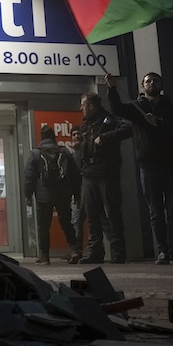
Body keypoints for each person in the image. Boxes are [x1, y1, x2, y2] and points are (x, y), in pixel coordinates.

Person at [106, 72, 173, 265]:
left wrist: (158, 122)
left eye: (156, 81)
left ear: (161, 85)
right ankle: (162, 251)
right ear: (142, 86)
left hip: (171, 165)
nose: (152, 83)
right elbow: (117, 109)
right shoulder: (137, 107)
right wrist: (112, 88)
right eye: (148, 81)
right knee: (155, 211)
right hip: (148, 165)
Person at [73, 92, 132, 264]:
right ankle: (95, 252)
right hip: (88, 174)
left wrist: (105, 137)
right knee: (92, 215)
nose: (81, 108)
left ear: (91, 105)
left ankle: (118, 251)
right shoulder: (86, 124)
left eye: (83, 104)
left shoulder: (109, 119)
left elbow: (127, 129)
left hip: (106, 173)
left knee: (112, 213)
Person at [23, 124, 81, 264]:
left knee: (43, 225)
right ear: (53, 137)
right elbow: (74, 175)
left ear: (42, 138)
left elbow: (29, 177)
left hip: (43, 195)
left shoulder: (35, 153)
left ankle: (45, 255)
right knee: (66, 222)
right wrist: (77, 194)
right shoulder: (64, 152)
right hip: (63, 194)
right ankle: (74, 248)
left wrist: (27, 195)